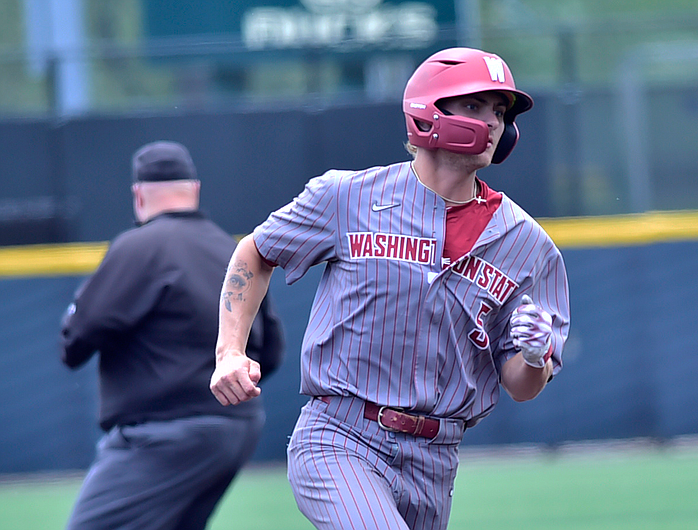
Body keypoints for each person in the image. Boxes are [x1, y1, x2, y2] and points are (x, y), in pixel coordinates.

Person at [210, 47, 571, 530]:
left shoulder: (528, 245)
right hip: (340, 436)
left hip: (436, 459)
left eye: (500, 112)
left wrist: (534, 356)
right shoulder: (347, 197)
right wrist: (229, 351)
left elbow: (521, 388)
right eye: (474, 105)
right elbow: (254, 253)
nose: (491, 123)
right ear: (428, 112)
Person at [60, 140, 285, 530]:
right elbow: (273, 351)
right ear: (194, 190)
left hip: (165, 434)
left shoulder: (139, 246)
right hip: (237, 427)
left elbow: (76, 339)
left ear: (138, 196)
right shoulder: (229, 250)